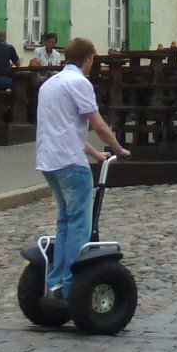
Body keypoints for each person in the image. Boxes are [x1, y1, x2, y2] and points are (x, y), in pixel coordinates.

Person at [33, 36, 130, 306]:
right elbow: (97, 124)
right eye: (93, 61)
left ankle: (54, 282)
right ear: (88, 59)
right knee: (79, 224)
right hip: (70, 164)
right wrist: (118, 148)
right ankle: (71, 286)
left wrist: (97, 154)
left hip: (48, 162)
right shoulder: (79, 83)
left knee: (65, 221)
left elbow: (65, 128)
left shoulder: (50, 84)